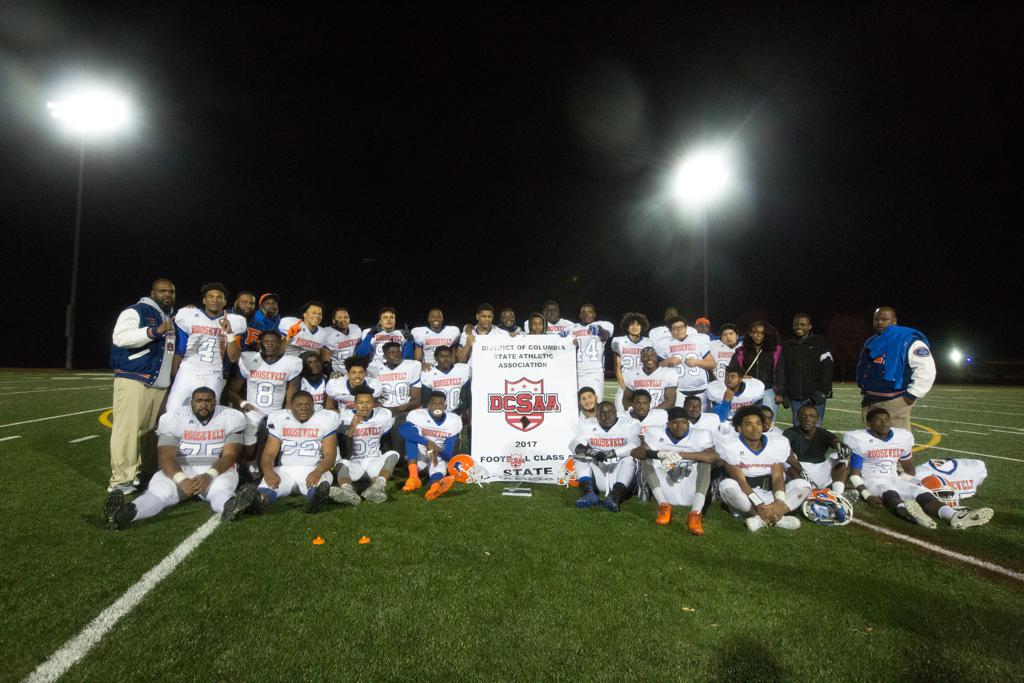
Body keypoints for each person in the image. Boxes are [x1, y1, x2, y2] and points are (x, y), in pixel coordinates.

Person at [103, 387, 249, 529]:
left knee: (221, 490)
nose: (204, 404)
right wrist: (181, 479)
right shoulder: (173, 418)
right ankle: (123, 515)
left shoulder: (231, 417)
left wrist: (209, 476)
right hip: (180, 468)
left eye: (208, 401)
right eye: (199, 401)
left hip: (215, 468)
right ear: (191, 402)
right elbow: (165, 456)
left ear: (215, 402)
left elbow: (230, 456)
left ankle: (232, 507)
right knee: (159, 492)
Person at [844, 408, 992, 529]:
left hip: (894, 477)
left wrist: (903, 481)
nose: (884, 423)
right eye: (879, 420)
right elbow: (855, 475)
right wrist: (867, 495)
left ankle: (953, 515)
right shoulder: (859, 439)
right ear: (868, 423)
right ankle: (910, 513)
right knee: (889, 493)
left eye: (887, 419)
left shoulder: (901, 438)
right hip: (871, 479)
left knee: (920, 491)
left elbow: (910, 470)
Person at [108, 278, 177, 494]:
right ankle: (121, 480)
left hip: (159, 383)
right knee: (126, 431)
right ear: (152, 292)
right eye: (163, 291)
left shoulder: (169, 316)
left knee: (150, 433)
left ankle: (144, 475)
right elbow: (120, 337)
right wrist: (153, 331)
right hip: (134, 377)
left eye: (172, 291)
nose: (168, 294)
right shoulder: (136, 311)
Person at [716, 406, 812, 532]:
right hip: (746, 497)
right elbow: (741, 481)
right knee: (727, 485)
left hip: (769, 493)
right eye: (749, 424)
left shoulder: (776, 443)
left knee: (803, 485)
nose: (755, 428)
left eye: (758, 423)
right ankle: (769, 517)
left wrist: (779, 500)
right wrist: (759, 505)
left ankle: (767, 517)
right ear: (739, 428)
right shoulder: (729, 444)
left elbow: (777, 477)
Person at [248, 391, 340, 514]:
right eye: (299, 405)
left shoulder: (326, 419)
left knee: (320, 484)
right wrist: (268, 472)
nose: (304, 408)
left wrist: (318, 472)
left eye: (307, 404)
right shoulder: (279, 419)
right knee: (268, 486)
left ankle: (316, 499)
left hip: (313, 468)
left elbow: (330, 456)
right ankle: (259, 502)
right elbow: (269, 454)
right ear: (291, 407)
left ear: (314, 405)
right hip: (285, 469)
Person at [632, 406, 718, 534]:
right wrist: (658, 454)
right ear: (667, 424)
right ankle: (663, 506)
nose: (680, 427)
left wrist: (683, 455)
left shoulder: (701, 434)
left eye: (683, 422)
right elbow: (637, 453)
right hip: (665, 479)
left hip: (690, 480)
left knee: (704, 462)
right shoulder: (655, 432)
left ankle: (695, 514)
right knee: (646, 458)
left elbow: (713, 457)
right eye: (675, 422)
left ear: (688, 423)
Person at [165, 282, 247, 408]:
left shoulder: (235, 321)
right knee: (173, 409)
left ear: (225, 302)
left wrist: (229, 332)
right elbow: (181, 349)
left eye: (219, 297)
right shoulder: (189, 315)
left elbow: (234, 357)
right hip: (187, 371)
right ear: (204, 300)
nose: (215, 300)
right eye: (211, 296)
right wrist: (173, 377)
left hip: (213, 373)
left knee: (207, 413)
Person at [226, 330, 302, 465]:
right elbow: (231, 391)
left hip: (276, 411)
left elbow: (292, 393)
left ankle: (277, 464)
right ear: (260, 344)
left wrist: (287, 413)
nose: (270, 344)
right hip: (254, 409)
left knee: (285, 428)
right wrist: (243, 403)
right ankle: (250, 463)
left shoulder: (291, 363)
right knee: (250, 425)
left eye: (274, 342)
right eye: (266, 341)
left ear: (281, 344)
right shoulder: (249, 359)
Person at [855, 306, 936, 430]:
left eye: (884, 319)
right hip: (869, 400)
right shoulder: (873, 341)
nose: (879, 322)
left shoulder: (909, 341)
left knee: (897, 444)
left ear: (894, 321)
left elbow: (927, 370)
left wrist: (911, 396)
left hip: (894, 401)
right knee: (872, 445)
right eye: (876, 319)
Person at [329, 387, 399, 506]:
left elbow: (385, 443)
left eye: (368, 402)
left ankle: (378, 486)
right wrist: (351, 430)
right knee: (341, 462)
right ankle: (347, 491)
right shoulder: (344, 418)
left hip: (375, 462)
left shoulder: (383, 415)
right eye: (361, 403)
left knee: (393, 454)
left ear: (373, 403)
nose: (364, 406)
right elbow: (346, 453)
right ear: (355, 404)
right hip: (354, 465)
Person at [569, 401, 641, 512]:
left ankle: (615, 497)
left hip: (619, 473)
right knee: (580, 457)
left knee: (629, 459)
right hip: (598, 471)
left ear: (616, 413)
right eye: (602, 412)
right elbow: (573, 444)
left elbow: (636, 444)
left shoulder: (628, 424)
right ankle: (589, 494)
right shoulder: (587, 424)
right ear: (597, 414)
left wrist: (614, 453)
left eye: (611, 412)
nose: (607, 415)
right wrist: (591, 452)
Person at [399, 391, 463, 498]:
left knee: (439, 466)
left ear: (445, 406)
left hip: (438, 456)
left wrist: (436, 449)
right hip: (419, 454)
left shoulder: (453, 420)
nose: (437, 406)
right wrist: (427, 443)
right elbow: (403, 430)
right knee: (410, 437)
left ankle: (435, 486)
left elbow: (449, 454)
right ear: (428, 405)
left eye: (440, 403)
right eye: (433, 403)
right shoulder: (417, 415)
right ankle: (414, 478)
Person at [777, 313, 834, 425]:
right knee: (798, 428)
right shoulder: (787, 346)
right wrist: (784, 393)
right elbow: (783, 371)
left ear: (809, 326)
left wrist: (823, 391)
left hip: (815, 396)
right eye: (796, 324)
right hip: (795, 397)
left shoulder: (820, 343)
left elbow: (827, 368)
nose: (799, 327)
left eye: (803, 324)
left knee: (815, 428)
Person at [783, 404, 848, 492]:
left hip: (820, 471)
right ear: (798, 418)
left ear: (817, 419)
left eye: (812, 416)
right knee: (784, 455)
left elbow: (836, 442)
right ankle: (803, 490)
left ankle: (838, 493)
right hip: (798, 472)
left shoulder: (823, 433)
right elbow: (784, 450)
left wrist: (842, 448)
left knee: (840, 457)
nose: (808, 419)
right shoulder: (789, 432)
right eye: (804, 416)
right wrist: (801, 470)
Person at [655, 315, 715, 408]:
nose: (679, 330)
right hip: (677, 391)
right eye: (675, 328)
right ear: (670, 330)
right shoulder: (664, 344)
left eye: (681, 327)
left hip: (701, 389)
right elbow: (656, 367)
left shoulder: (699, 340)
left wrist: (697, 362)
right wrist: (668, 361)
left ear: (686, 328)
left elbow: (712, 364)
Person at [726, 321, 784, 416]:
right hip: (748, 391)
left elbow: (781, 372)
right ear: (750, 334)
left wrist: (780, 392)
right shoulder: (742, 350)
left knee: (767, 422)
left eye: (762, 333)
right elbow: (732, 369)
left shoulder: (775, 350)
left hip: (768, 390)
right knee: (748, 419)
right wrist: (742, 376)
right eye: (755, 332)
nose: (758, 335)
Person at [375, 341, 422, 453]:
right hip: (382, 415)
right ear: (384, 356)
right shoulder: (374, 368)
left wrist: (395, 410)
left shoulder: (411, 366)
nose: (396, 354)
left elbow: (416, 401)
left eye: (398, 352)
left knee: (398, 453)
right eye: (391, 352)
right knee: (382, 452)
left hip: (402, 414)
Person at [570, 304, 614, 396]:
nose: (586, 314)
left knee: (596, 402)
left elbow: (605, 335)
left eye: (589, 312)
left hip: (595, 372)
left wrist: (599, 330)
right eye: (584, 312)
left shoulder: (603, 324)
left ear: (594, 314)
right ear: (580, 315)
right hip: (575, 372)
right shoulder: (572, 328)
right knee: (576, 404)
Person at [356, 307, 415, 374]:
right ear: (380, 322)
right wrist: (369, 336)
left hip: (396, 369)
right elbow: (360, 355)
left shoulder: (402, 334)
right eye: (385, 317)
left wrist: (409, 342)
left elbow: (408, 359)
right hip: (375, 370)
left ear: (395, 321)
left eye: (391, 317)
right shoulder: (370, 333)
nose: (389, 320)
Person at [611, 312, 651, 411]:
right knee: (621, 415)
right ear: (627, 327)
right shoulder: (618, 341)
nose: (635, 327)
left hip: (643, 385)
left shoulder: (649, 343)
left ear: (642, 326)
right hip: (625, 384)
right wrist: (625, 389)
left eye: (638, 324)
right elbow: (617, 368)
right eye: (632, 324)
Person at [420, 346, 471, 417]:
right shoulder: (428, 373)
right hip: (436, 416)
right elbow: (426, 401)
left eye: (448, 356)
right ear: (436, 358)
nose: (446, 359)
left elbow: (466, 399)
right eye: (442, 356)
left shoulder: (462, 370)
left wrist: (455, 413)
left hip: (458, 415)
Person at [621, 347, 677, 411]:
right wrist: (632, 410)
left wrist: (653, 413)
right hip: (638, 413)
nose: (649, 358)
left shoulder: (668, 373)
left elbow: (670, 401)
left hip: (660, 414)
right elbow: (626, 399)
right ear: (641, 359)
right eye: (645, 356)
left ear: (657, 358)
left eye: (653, 356)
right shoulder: (632, 373)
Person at [322, 307, 362, 379]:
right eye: (340, 317)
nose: (343, 320)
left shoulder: (355, 329)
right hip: (336, 371)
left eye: (346, 317)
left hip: (353, 369)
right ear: (334, 321)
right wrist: (330, 372)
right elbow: (325, 357)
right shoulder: (326, 333)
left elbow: (360, 349)